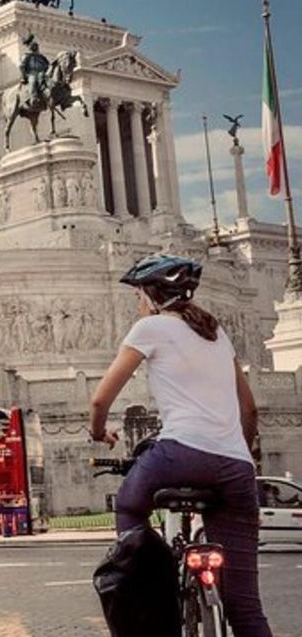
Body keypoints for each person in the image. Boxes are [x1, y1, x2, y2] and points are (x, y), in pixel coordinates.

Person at [89, 254, 272, 637]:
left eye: (138, 296)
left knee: (129, 506)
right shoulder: (216, 333)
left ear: (150, 296)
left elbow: (99, 400)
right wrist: (240, 453)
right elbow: (250, 409)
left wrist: (98, 432)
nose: (138, 304)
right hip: (235, 467)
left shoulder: (150, 327)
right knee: (245, 606)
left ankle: (147, 598)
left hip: (178, 455)